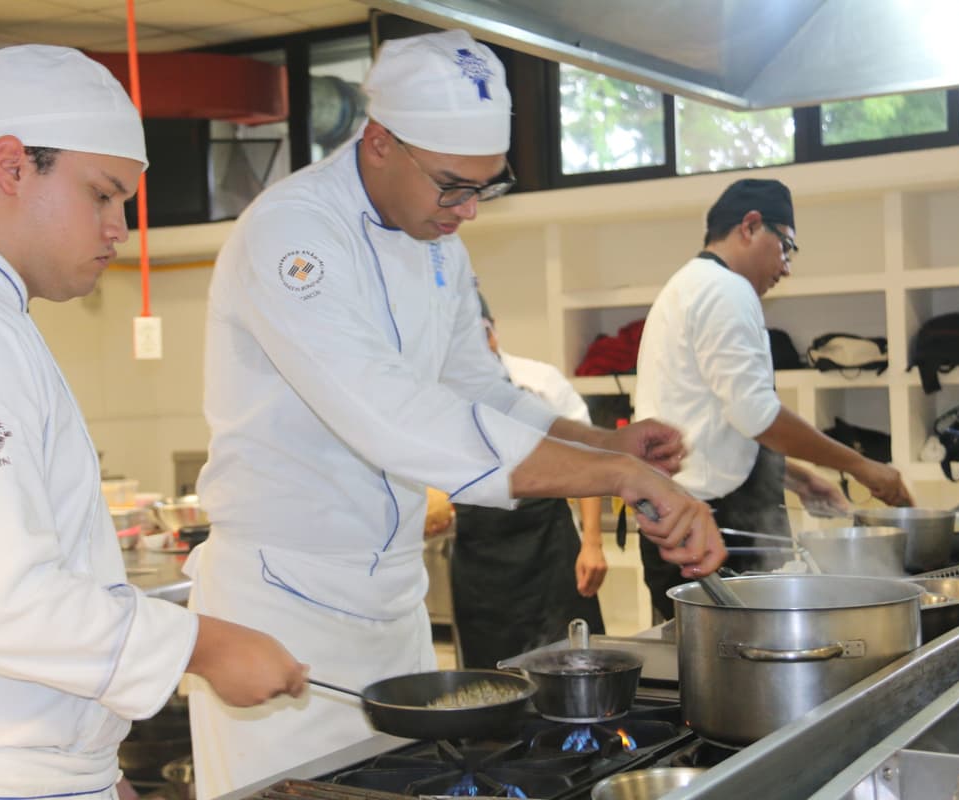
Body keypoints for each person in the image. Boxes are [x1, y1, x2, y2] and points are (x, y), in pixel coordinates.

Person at [185, 28, 725, 799]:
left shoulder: (437, 241)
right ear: (380, 141)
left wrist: (608, 444)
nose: (468, 210)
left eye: (485, 186)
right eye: (451, 185)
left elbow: (483, 392)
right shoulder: (293, 234)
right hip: (281, 608)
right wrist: (614, 474)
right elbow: (389, 415)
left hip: (390, 601)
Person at [0, 45, 307, 800]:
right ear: (10, 166)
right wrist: (203, 646)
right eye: (102, 195)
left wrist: (90, 766)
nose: (118, 229)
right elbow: (1, 602)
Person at [633, 177, 913, 620]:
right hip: (707, 522)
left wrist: (798, 479)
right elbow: (756, 415)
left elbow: (714, 420)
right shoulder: (725, 289)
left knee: (703, 653)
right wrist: (861, 465)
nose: (786, 267)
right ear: (750, 226)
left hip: (685, 514)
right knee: (735, 657)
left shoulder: (689, 285)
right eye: (786, 247)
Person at [449, 295, 607, 668]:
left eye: (482, 333)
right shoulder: (442, 394)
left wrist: (593, 542)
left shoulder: (539, 380)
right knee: (492, 677)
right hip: (480, 558)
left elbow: (588, 459)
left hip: (549, 545)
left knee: (573, 664)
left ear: (494, 328)